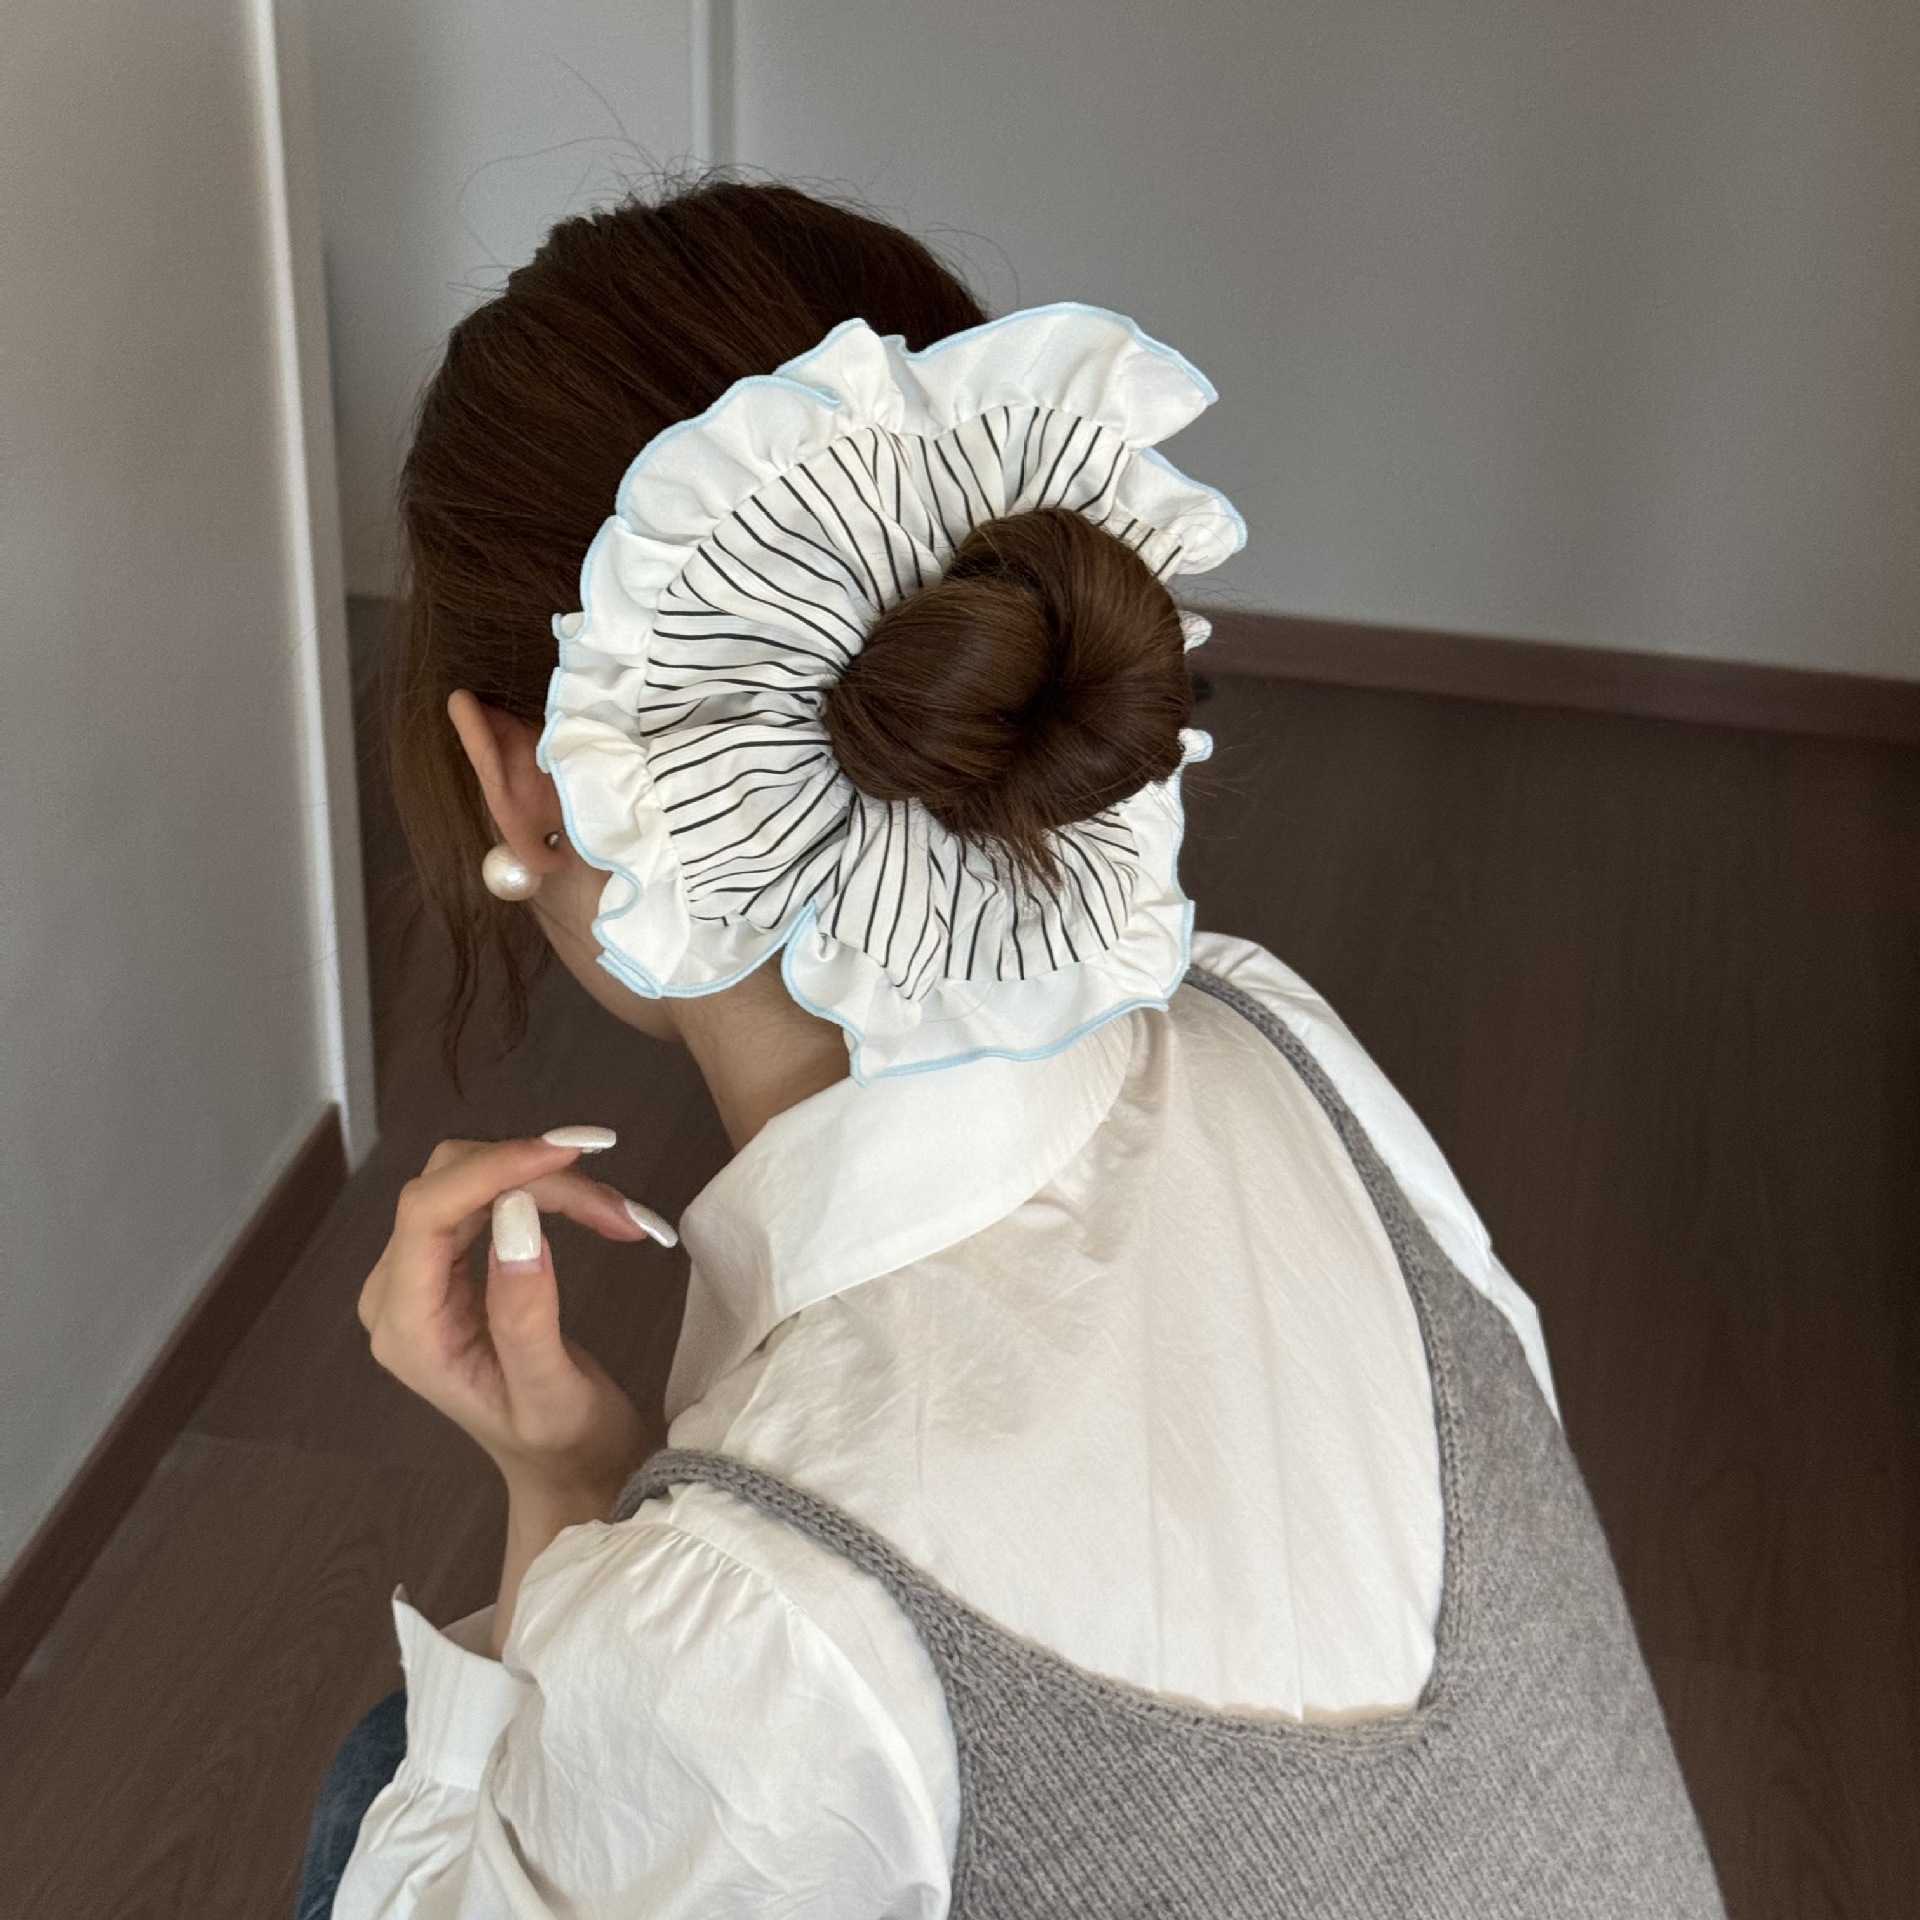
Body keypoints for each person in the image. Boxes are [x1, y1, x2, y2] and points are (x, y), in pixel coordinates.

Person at [306, 180, 1724, 1919]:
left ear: (519, 778)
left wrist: (566, 1500)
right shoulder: (1277, 1035)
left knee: (387, 1781)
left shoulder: (764, 1613)